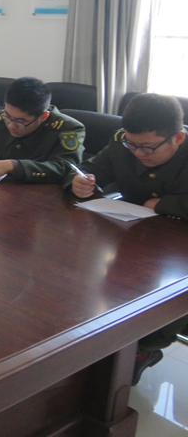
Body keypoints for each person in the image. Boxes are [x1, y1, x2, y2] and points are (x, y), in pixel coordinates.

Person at [65, 93, 188, 385]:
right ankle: (104, 346)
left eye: (147, 147)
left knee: (175, 293)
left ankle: (142, 351)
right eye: (132, 145)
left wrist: (162, 204)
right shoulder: (123, 143)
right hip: (138, 239)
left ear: (178, 138)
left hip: (181, 251)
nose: (138, 153)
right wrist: (79, 183)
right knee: (111, 287)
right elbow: (88, 170)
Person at [0, 77, 85, 182]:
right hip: (2, 192)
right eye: (8, 116)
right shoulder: (0, 119)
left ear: (43, 116)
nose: (11, 125)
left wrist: (14, 166)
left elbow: (66, 167)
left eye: (20, 121)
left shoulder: (68, 129)